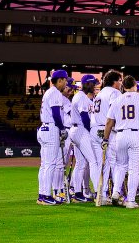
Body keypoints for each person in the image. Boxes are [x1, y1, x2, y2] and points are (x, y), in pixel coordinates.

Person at [102, 75, 139, 209]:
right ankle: (131, 200)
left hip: (120, 135)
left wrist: (105, 138)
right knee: (133, 169)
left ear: (123, 87)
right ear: (135, 85)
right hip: (136, 134)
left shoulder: (117, 99)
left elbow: (109, 122)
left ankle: (115, 193)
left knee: (120, 166)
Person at [37, 69, 72, 205]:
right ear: (60, 80)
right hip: (51, 128)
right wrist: (62, 129)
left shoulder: (48, 92)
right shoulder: (56, 93)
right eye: (65, 80)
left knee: (44, 164)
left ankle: (42, 194)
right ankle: (46, 195)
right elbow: (56, 114)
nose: (66, 83)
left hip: (44, 128)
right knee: (50, 164)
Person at [92, 69, 124, 206]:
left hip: (95, 130)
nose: (121, 83)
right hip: (108, 131)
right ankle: (111, 193)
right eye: (120, 80)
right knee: (113, 163)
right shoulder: (114, 92)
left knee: (101, 164)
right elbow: (114, 113)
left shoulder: (99, 93)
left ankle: (101, 194)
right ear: (114, 81)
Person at [68, 75, 101, 202]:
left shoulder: (84, 97)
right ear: (87, 84)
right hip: (81, 130)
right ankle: (99, 191)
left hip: (77, 130)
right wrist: (91, 131)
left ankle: (77, 193)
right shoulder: (81, 97)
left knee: (81, 163)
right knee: (93, 161)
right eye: (94, 84)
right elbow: (85, 118)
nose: (95, 86)